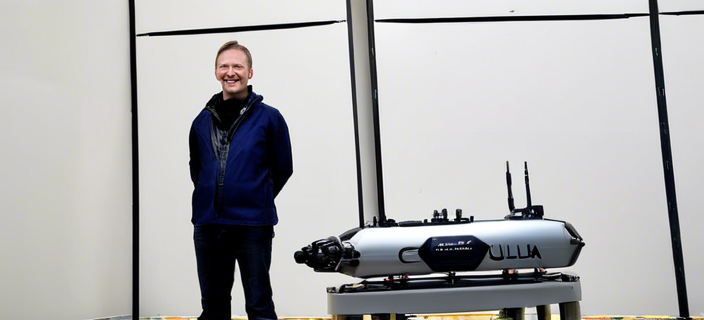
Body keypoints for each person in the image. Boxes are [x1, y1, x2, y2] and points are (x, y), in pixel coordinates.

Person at [189, 40, 293, 320]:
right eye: (224, 66)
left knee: (259, 307)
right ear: (216, 72)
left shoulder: (269, 118)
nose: (230, 72)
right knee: (213, 308)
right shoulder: (201, 121)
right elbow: (197, 169)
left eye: (238, 66)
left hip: (252, 226)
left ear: (250, 73)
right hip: (209, 226)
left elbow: (283, 168)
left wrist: (256, 197)